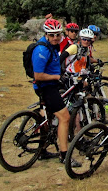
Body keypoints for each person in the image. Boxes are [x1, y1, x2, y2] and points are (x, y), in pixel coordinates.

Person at [31, 19, 79, 165]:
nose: (55, 38)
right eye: (51, 35)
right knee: (64, 117)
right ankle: (64, 155)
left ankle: (42, 149)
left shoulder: (53, 45)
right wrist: (57, 77)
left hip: (51, 84)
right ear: (46, 34)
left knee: (46, 117)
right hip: (46, 87)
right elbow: (38, 75)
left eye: (57, 35)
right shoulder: (42, 50)